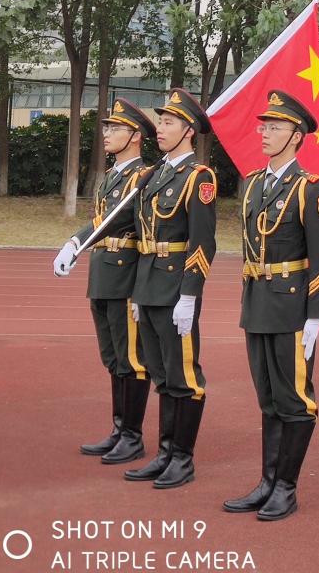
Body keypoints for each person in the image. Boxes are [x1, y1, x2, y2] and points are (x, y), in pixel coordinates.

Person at [223, 90, 319, 522]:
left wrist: (315, 314)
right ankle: (267, 482)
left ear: (296, 135)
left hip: (291, 308)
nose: (265, 133)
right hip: (257, 303)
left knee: (295, 400)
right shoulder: (253, 184)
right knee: (268, 398)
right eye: (264, 127)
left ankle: (286, 487)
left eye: (275, 127)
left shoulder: (310, 188)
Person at [52, 98, 155, 465]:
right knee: (113, 359)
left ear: (136, 135)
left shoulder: (143, 178)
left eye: (115, 128)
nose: (107, 133)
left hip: (126, 278)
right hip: (103, 276)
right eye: (106, 127)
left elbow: (114, 219)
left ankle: (132, 436)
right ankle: (119, 429)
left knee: (131, 360)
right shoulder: (112, 175)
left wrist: (75, 241)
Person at [124, 88, 216, 489]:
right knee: (161, 374)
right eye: (160, 121)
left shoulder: (199, 177)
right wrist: (137, 291)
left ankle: (182, 458)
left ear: (188, 130)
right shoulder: (153, 175)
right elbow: (137, 230)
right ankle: (164, 453)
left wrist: (189, 295)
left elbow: (203, 243)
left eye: (168, 122)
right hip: (148, 285)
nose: (160, 128)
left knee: (184, 377)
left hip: (176, 288)